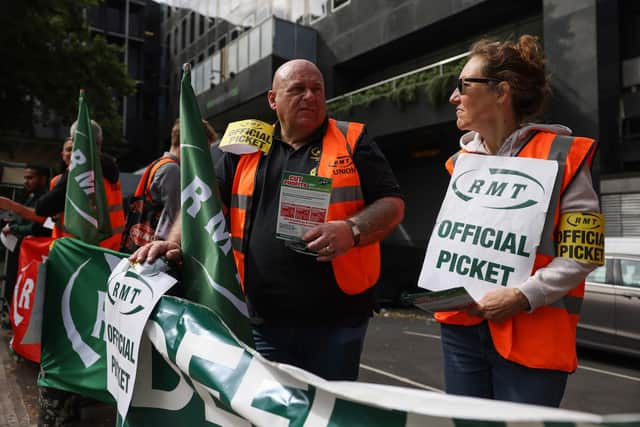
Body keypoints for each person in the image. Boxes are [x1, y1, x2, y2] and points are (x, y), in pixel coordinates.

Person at [131, 59, 405, 380]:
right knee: (268, 409)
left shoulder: (352, 140)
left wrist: (352, 229)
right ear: (273, 99)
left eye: (317, 89)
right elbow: (203, 199)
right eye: (298, 89)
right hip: (263, 319)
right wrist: (173, 241)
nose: (310, 97)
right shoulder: (245, 146)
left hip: (337, 321)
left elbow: (392, 204)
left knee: (326, 411)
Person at [435, 35, 600, 407]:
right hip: (462, 329)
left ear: (500, 92)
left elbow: (583, 253)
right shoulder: (460, 164)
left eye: (464, 85)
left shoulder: (563, 158)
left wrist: (523, 296)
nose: (453, 97)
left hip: (533, 338)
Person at [34, 119, 125, 251]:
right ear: (100, 142)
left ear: (75, 140)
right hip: (109, 250)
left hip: (76, 253)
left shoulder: (79, 174)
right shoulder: (110, 170)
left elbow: (42, 208)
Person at [0, 164, 51, 323]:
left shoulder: (46, 200)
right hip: (19, 248)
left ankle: (16, 319)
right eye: (25, 177)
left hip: (32, 253)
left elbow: (38, 228)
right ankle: (11, 315)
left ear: (43, 179)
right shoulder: (31, 197)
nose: (26, 181)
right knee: (12, 281)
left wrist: (15, 228)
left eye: (30, 177)